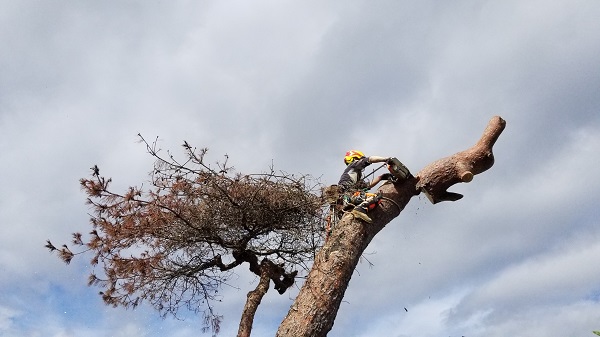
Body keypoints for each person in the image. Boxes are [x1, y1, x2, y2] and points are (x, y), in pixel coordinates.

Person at [337, 150, 393, 223]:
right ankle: (359, 210)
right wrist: (385, 159)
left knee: (368, 197)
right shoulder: (354, 165)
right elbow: (369, 159)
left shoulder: (353, 176)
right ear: (355, 158)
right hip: (348, 195)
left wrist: (381, 177)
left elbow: (367, 186)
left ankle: (357, 210)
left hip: (346, 199)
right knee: (375, 198)